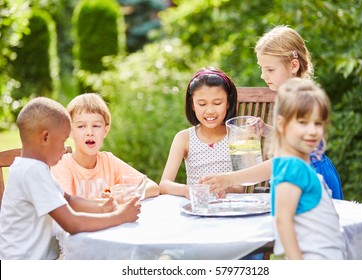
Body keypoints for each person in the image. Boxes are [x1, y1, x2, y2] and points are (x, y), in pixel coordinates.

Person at [200, 25, 344, 200]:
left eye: (270, 69)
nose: (263, 75)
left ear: (294, 65)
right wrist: (267, 130)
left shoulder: (302, 100)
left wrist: (229, 178)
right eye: (262, 68)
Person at [0, 97, 141, 259]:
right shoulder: (32, 172)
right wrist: (119, 217)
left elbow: (69, 199)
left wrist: (104, 206)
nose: (64, 149)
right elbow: (72, 224)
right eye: (62, 141)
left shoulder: (33, 168)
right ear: (45, 138)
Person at [268, 78, 346, 259]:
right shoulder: (293, 167)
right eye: (303, 122)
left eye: (318, 123)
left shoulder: (291, 164)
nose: (313, 130)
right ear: (281, 124)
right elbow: (283, 221)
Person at [51, 93, 159, 200]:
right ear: (70, 131)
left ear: (105, 131)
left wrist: (126, 195)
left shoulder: (109, 162)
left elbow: (153, 187)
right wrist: (105, 204)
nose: (90, 132)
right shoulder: (62, 165)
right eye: (81, 126)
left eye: (96, 126)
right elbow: (67, 205)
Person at [159, 67, 244, 198]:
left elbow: (240, 188)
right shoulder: (184, 138)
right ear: (192, 105)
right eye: (202, 104)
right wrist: (188, 190)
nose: (210, 110)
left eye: (217, 103)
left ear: (228, 103)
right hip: (197, 206)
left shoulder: (237, 136)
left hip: (228, 206)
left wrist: (225, 189)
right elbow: (164, 184)